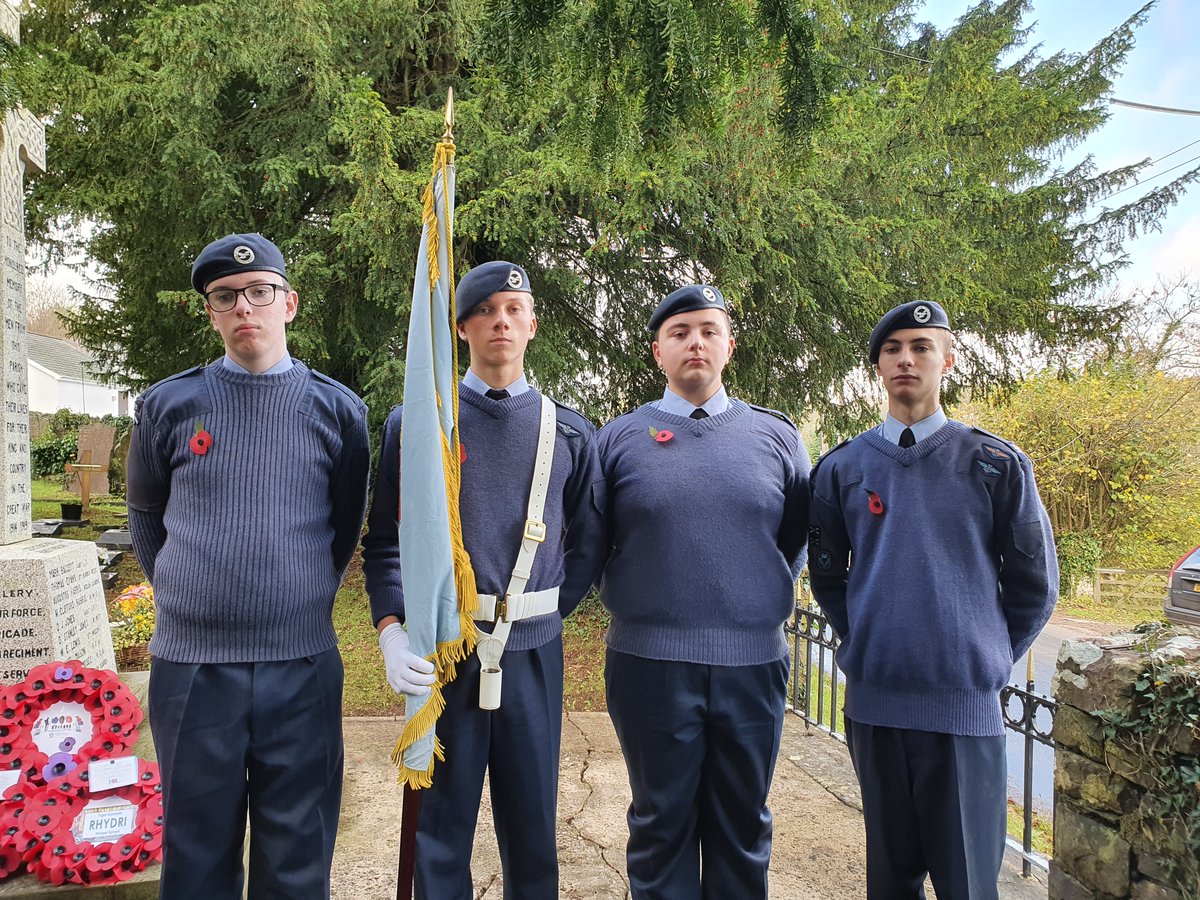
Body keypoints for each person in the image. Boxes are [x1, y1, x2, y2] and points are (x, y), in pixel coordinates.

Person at [126, 233, 371, 899]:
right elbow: (147, 517)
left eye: (258, 292)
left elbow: (343, 526)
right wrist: (188, 592)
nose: (244, 308)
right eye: (225, 297)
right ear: (210, 311)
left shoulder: (339, 411)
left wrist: (294, 594)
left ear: (288, 303)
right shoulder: (166, 407)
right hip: (193, 671)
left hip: (301, 667)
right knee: (197, 852)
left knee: (297, 855)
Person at [362, 260, 603, 900]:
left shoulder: (574, 433)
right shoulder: (417, 427)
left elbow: (588, 541)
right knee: (439, 833)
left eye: (514, 310)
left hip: (532, 654)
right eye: (486, 310)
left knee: (532, 832)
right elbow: (384, 542)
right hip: (447, 649)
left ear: (532, 325)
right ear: (462, 326)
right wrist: (392, 629)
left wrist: (541, 610)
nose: (502, 321)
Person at [808, 300, 1058, 900]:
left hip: (964, 712)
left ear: (948, 359)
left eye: (921, 346)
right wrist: (867, 640)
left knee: (968, 882)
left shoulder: (995, 464)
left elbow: (1035, 587)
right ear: (877, 368)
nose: (906, 359)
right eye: (892, 349)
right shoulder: (842, 468)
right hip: (876, 710)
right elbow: (828, 578)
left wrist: (986, 657)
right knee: (889, 883)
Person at [593, 284, 811, 899]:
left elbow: (790, 541)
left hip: (752, 667)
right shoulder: (617, 441)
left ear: (728, 347)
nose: (696, 342)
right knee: (660, 825)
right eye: (680, 332)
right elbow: (594, 540)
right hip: (649, 667)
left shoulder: (777, 438)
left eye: (709, 330)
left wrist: (746, 602)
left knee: (742, 826)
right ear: (657, 351)